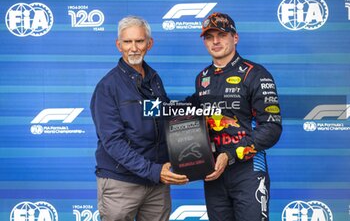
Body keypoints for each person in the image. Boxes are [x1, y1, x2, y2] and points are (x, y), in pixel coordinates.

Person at [90, 15, 188, 221]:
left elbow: (160, 120)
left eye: (139, 41)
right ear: (119, 45)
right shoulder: (107, 87)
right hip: (122, 183)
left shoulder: (154, 80)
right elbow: (113, 142)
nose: (133, 48)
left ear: (149, 44)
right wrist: (153, 170)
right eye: (127, 42)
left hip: (156, 184)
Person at [188, 12, 282, 221]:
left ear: (235, 37)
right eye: (209, 37)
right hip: (213, 173)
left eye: (221, 34)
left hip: (248, 170)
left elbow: (271, 128)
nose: (215, 41)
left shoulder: (256, 74)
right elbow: (190, 115)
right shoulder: (202, 78)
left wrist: (230, 155)